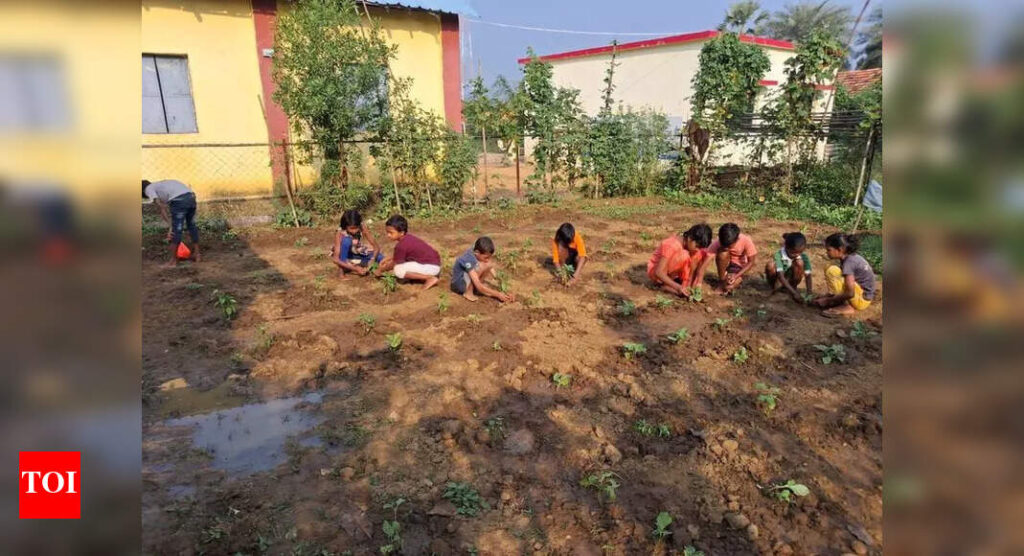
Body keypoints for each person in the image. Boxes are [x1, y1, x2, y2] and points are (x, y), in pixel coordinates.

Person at [812, 232, 876, 316]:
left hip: (861, 300)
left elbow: (850, 293)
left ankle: (846, 306)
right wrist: (828, 297)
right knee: (830, 268)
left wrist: (829, 300)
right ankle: (837, 299)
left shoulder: (849, 262)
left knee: (832, 271)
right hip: (861, 295)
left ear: (840, 249)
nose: (827, 252)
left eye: (829, 250)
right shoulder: (851, 258)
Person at [374, 214, 441, 290]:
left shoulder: (401, 246)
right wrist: (386, 259)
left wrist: (380, 270)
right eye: (387, 232)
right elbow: (399, 255)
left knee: (398, 270)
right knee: (403, 263)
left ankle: (429, 278)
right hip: (434, 264)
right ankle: (419, 276)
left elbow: (394, 264)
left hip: (431, 267)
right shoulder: (408, 238)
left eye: (391, 232)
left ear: (401, 233)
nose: (388, 235)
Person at [143, 179, 199, 266]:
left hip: (179, 200)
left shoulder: (148, 189)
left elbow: (161, 206)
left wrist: (171, 226)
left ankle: (173, 261)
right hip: (191, 197)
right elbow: (163, 208)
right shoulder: (160, 185)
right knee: (191, 225)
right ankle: (197, 254)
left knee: (176, 230)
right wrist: (170, 225)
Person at [647, 224, 713, 298]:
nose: (697, 249)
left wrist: (693, 285)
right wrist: (678, 287)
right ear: (689, 238)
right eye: (697, 246)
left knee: (699, 254)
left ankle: (685, 284)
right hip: (658, 273)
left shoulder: (690, 247)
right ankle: (664, 285)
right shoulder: (671, 245)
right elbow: (658, 272)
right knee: (684, 255)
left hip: (671, 272)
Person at [451, 237, 515, 303]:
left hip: (467, 279)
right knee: (482, 266)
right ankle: (468, 293)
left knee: (487, 264)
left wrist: (504, 288)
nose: (488, 259)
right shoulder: (468, 259)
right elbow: (478, 284)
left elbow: (492, 269)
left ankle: (475, 290)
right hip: (459, 285)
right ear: (477, 252)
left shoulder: (477, 249)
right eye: (486, 257)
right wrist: (498, 294)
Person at [699, 223, 757, 294]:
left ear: (737, 240)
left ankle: (736, 281)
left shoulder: (746, 241)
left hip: (739, 268)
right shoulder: (719, 242)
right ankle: (721, 282)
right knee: (723, 253)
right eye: (724, 245)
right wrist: (698, 283)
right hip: (725, 266)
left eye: (729, 246)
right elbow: (706, 260)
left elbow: (751, 262)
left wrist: (736, 276)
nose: (726, 247)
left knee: (728, 287)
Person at [331, 209, 383, 278]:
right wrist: (355, 269)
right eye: (351, 228)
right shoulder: (340, 233)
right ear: (345, 226)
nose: (354, 231)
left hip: (356, 253)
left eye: (356, 228)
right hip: (344, 257)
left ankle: (352, 265)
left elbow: (376, 247)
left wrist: (372, 260)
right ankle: (342, 271)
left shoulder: (362, 227)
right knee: (346, 241)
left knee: (380, 257)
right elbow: (336, 259)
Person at [765, 232, 813, 304]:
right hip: (779, 278)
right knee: (770, 265)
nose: (797, 255)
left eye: (800, 252)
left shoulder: (803, 256)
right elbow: (781, 276)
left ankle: (793, 287)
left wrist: (809, 293)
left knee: (799, 262)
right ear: (786, 247)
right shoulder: (779, 254)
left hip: (791, 278)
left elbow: (808, 275)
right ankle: (776, 289)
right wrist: (794, 293)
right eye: (793, 253)